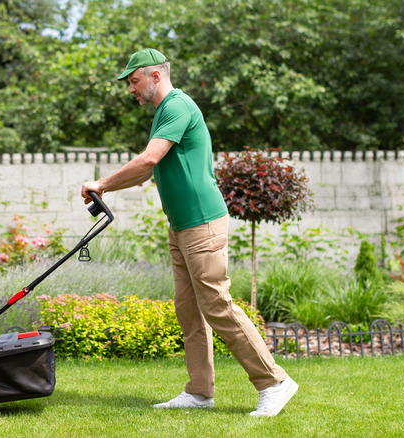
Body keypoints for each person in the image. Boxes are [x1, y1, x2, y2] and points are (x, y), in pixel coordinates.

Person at [80, 48, 298, 417]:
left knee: (216, 305)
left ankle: (274, 382)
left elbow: (148, 159)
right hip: (181, 225)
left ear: (155, 76)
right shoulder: (164, 112)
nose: (130, 89)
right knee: (189, 311)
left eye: (134, 81)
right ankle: (199, 391)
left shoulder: (177, 106)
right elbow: (149, 170)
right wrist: (105, 188)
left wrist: (100, 181)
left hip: (201, 223)